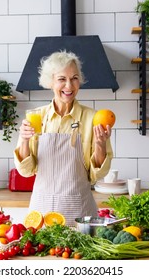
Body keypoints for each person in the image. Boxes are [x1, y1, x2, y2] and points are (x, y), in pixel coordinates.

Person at [14, 50, 113, 226]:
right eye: (62, 79)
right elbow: (26, 171)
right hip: (41, 215)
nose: (69, 86)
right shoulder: (36, 117)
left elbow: (96, 175)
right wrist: (24, 140)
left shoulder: (93, 118)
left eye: (74, 78)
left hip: (80, 215)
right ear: (50, 82)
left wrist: (100, 145)